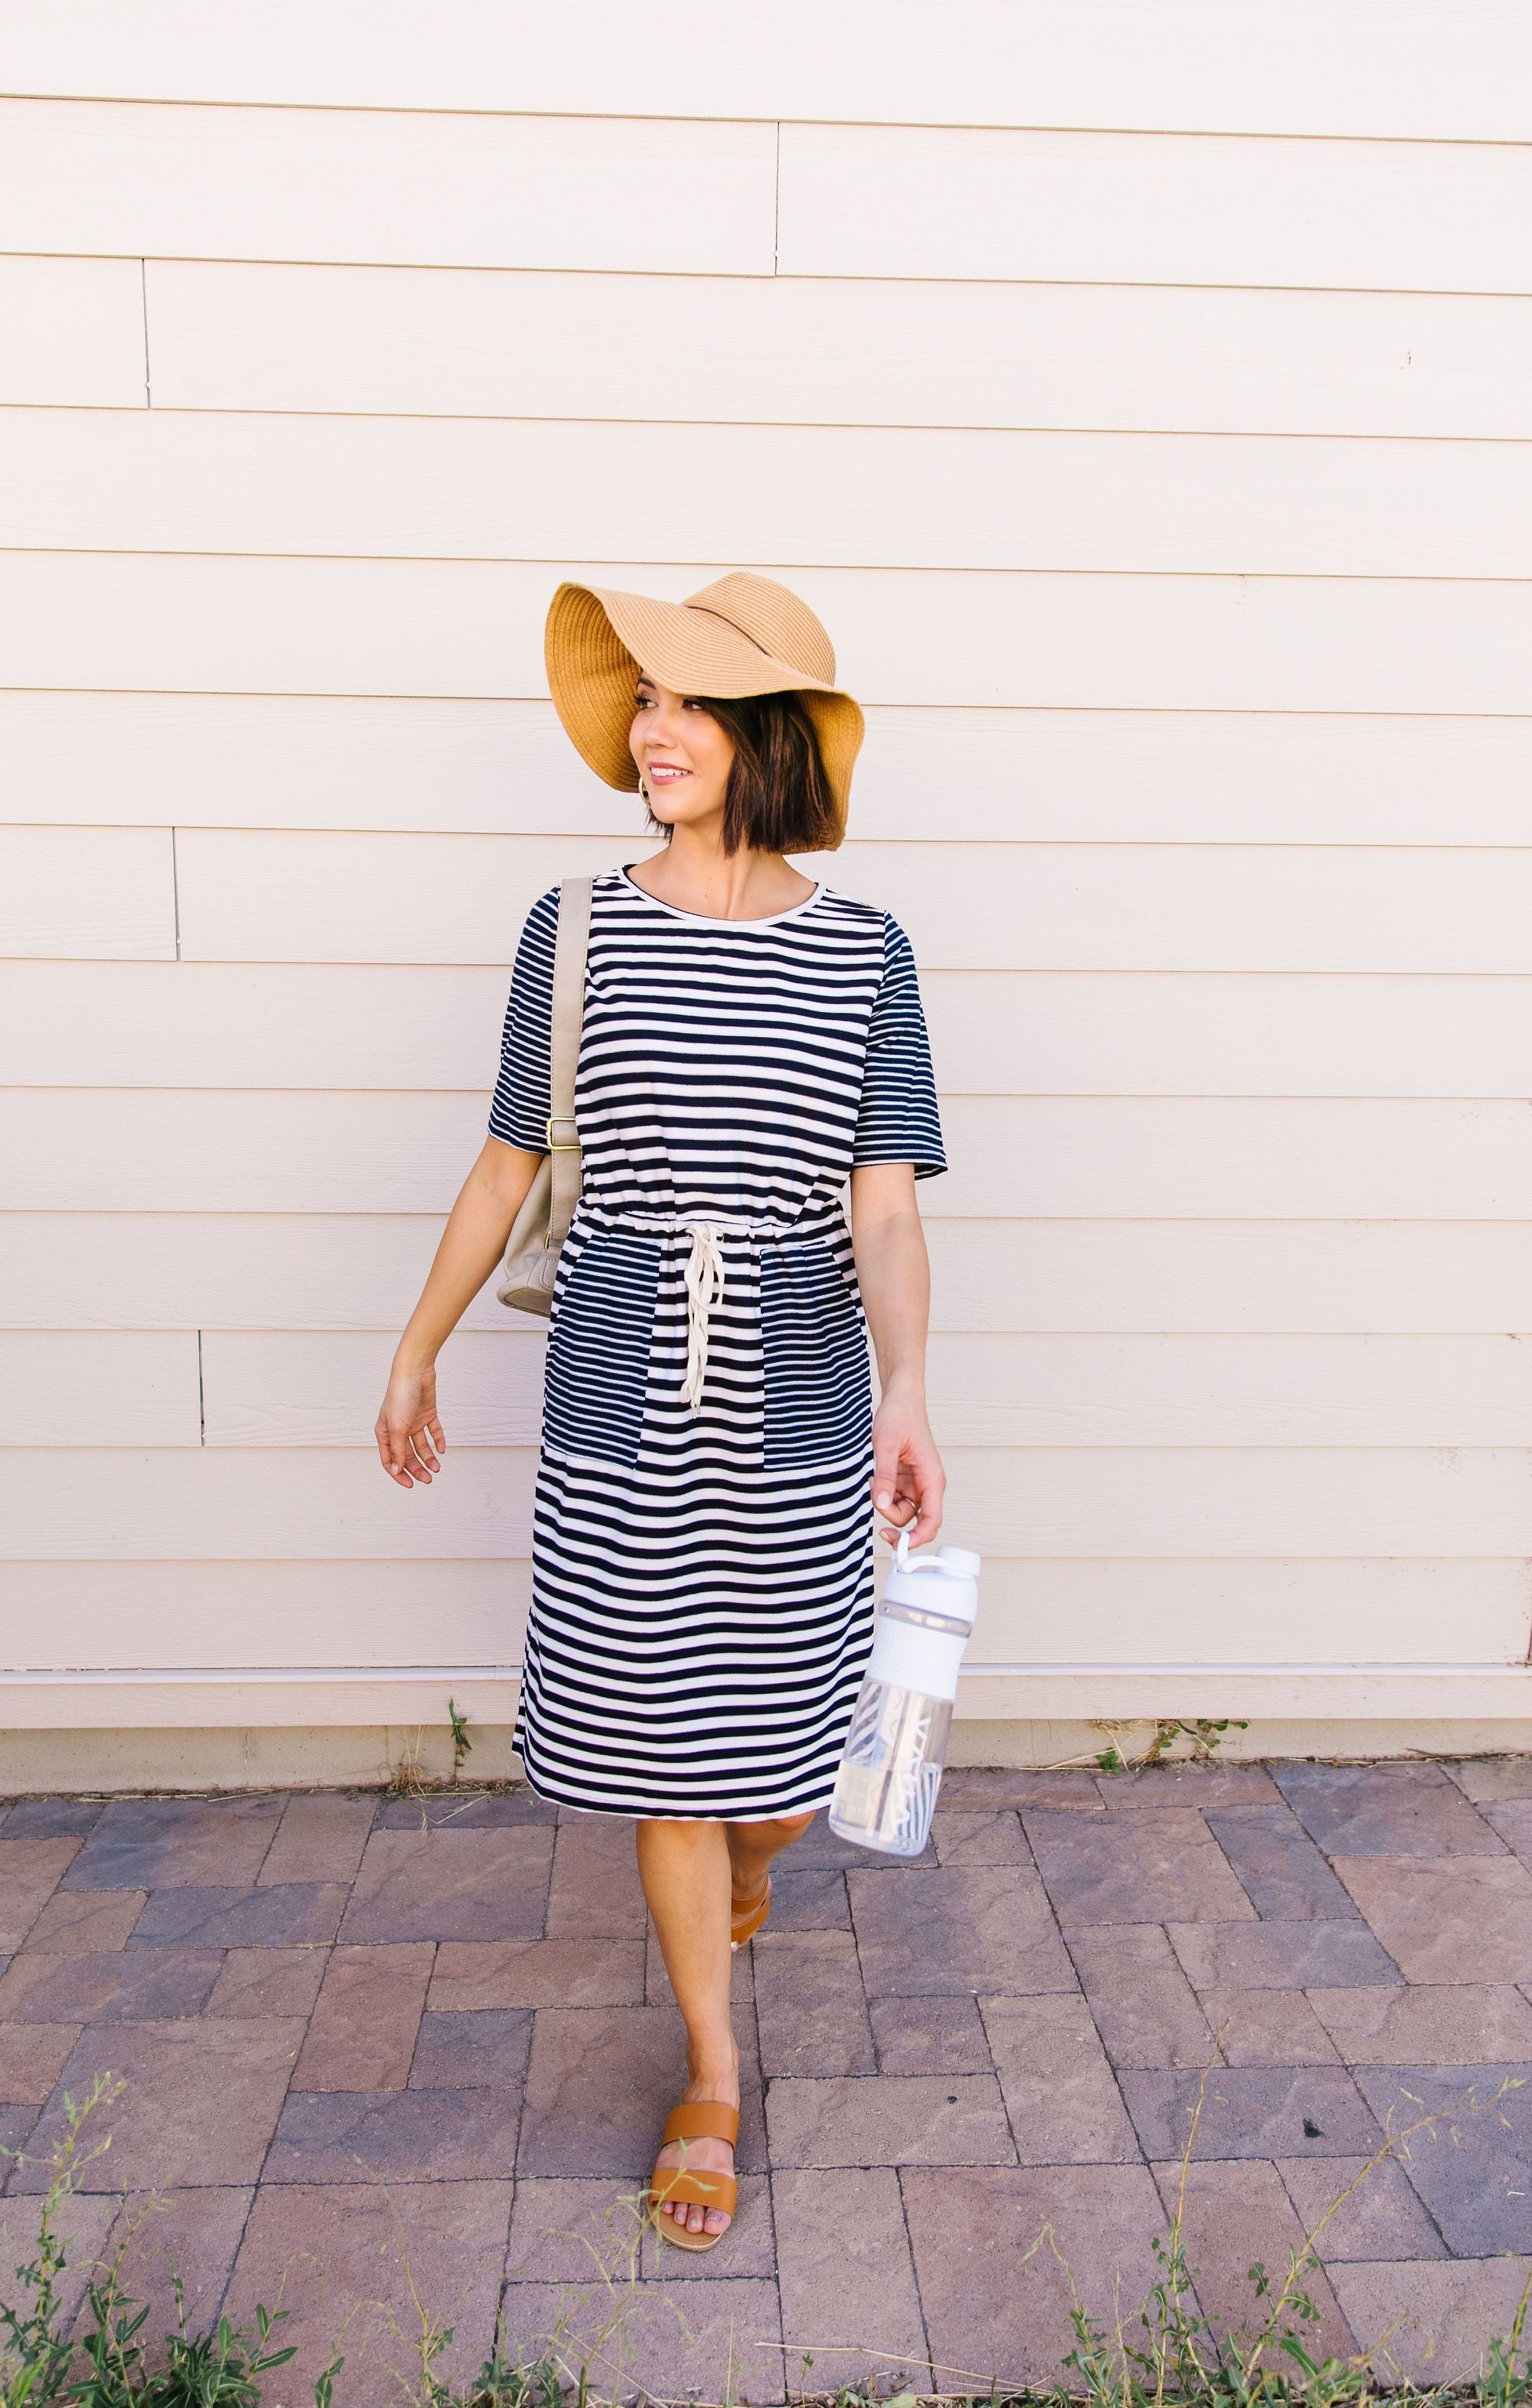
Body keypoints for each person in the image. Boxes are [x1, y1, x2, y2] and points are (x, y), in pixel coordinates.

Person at [375, 572, 947, 2250]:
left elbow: (890, 1208)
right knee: (660, 1758)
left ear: (766, 735)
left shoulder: (865, 950)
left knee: (775, 1758)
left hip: (798, 1383)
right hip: (618, 1377)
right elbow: (508, 1163)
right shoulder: (575, 926)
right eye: (643, 701)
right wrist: (415, 1344)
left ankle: (757, 1853)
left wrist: (909, 1391)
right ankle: (712, 2070)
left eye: (689, 702)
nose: (652, 730)